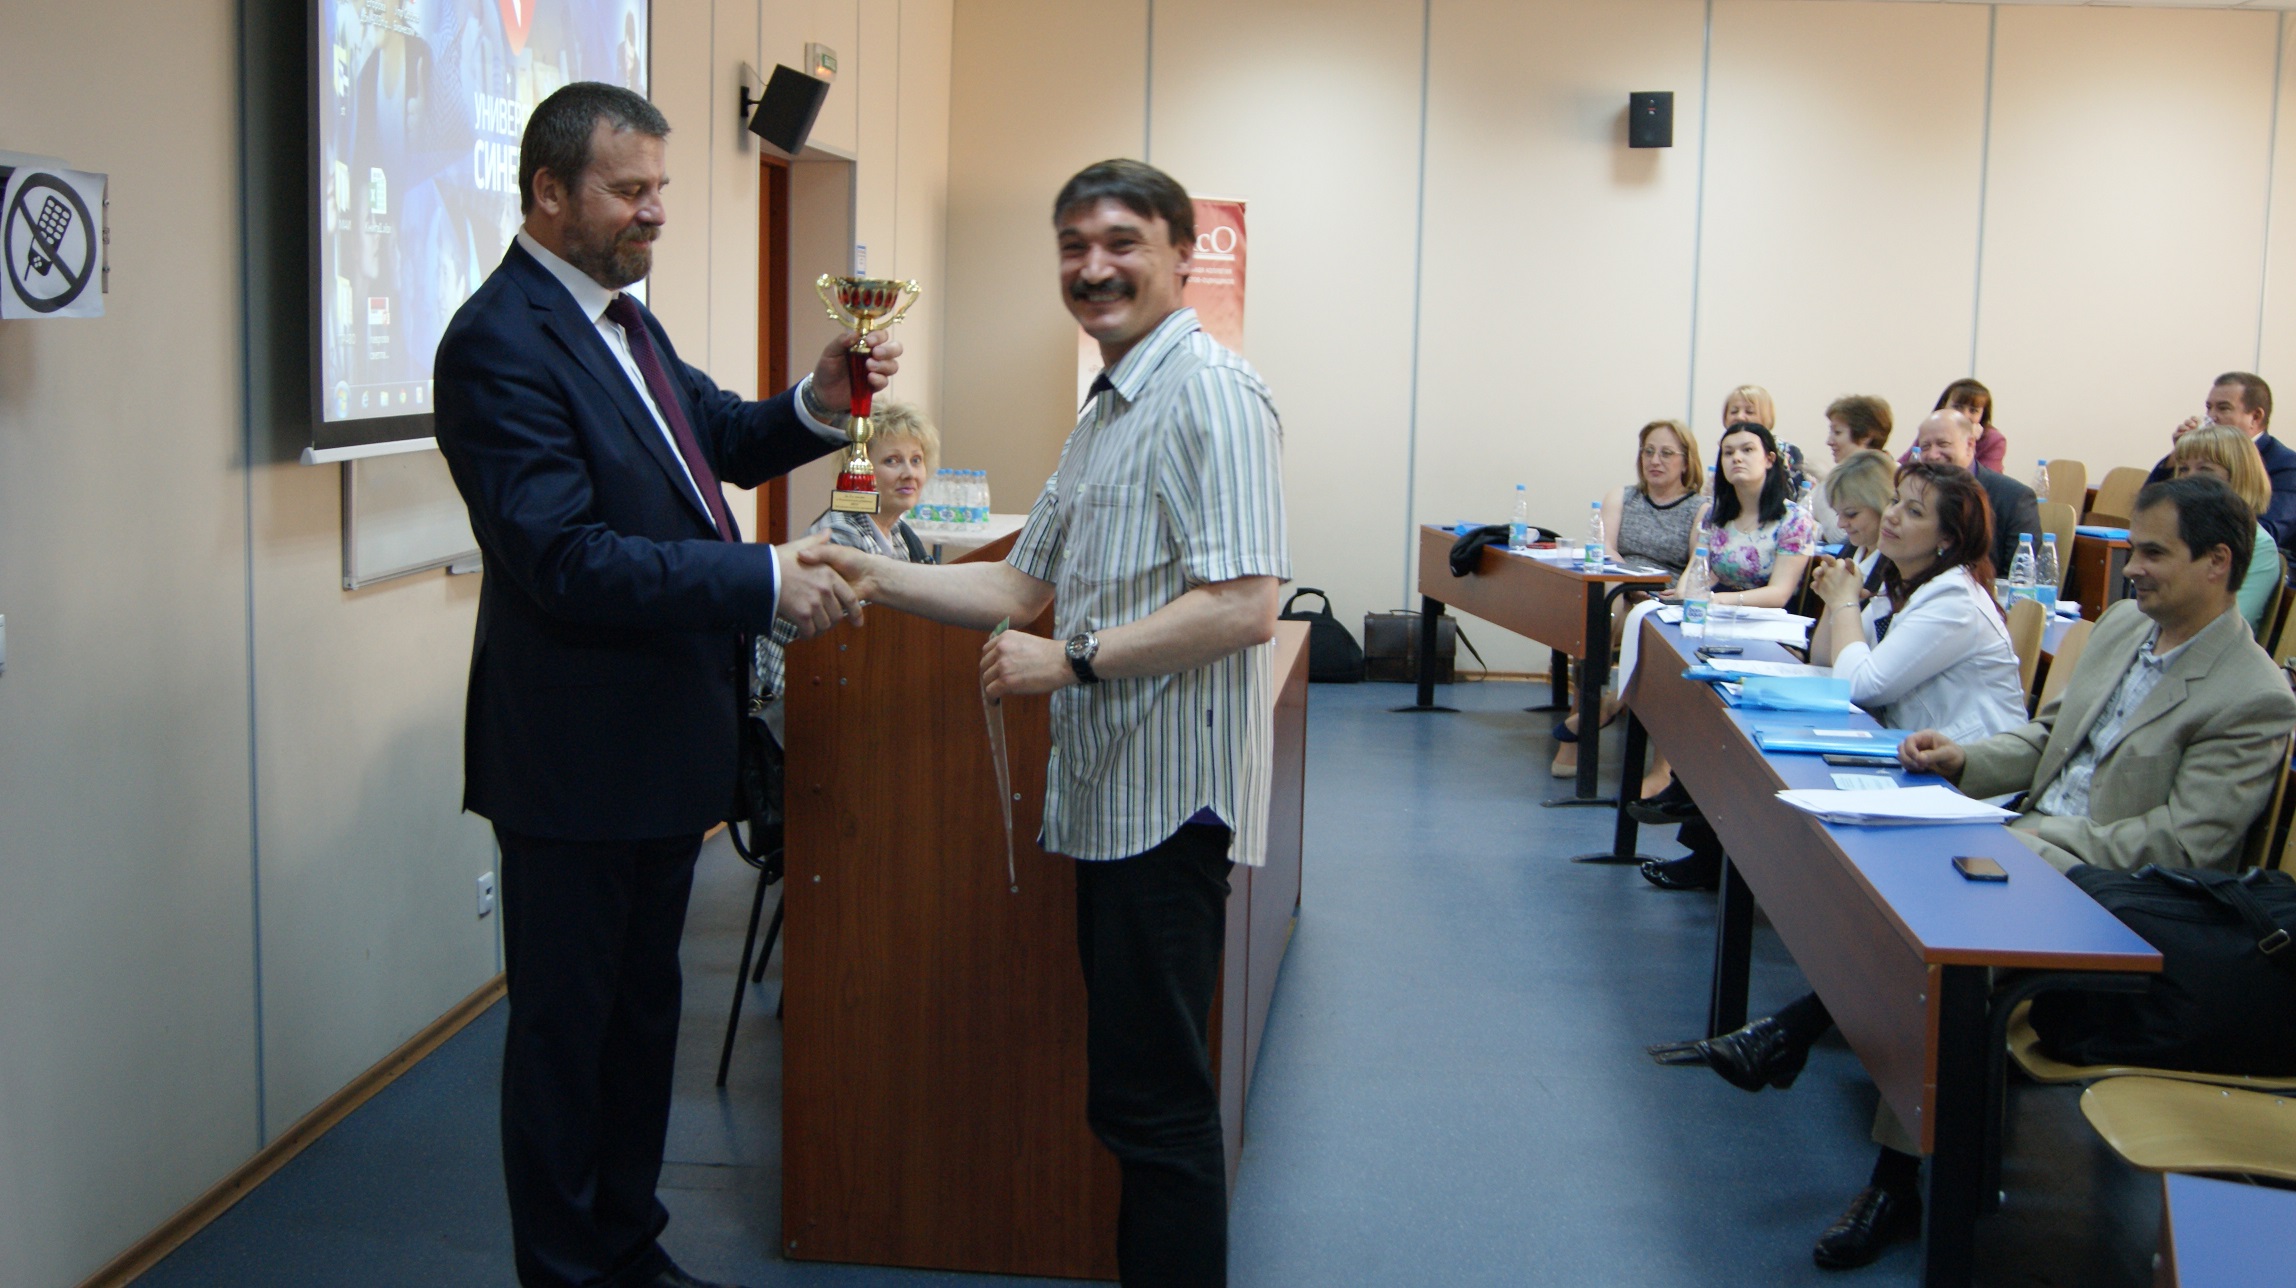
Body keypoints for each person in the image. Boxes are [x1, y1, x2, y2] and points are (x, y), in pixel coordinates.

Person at [432, 82, 899, 1288]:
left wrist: (820, 400)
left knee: (641, 1026)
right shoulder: (496, 342)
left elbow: (720, 441)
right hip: (572, 764)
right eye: (629, 190)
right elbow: (564, 558)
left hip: (656, 752)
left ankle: (627, 1248)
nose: (654, 212)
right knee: (566, 1040)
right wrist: (762, 578)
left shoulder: (623, 325)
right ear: (548, 191)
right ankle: (566, 1268)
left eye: (660, 189)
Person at [805, 158, 1287, 1287]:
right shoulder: (1108, 410)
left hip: (1169, 806)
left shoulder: (1211, 393)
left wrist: (1071, 660)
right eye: (1074, 245)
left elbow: (1244, 606)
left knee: (1158, 1112)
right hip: (1112, 799)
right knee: (1131, 1098)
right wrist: (872, 573)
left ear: (1183, 256)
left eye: (1122, 242)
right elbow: (1020, 587)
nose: (1093, 266)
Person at [1665, 476, 2296, 1270]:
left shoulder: (2252, 696)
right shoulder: (2124, 628)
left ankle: (1869, 1144)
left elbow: (2185, 846)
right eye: (2134, 549)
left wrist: (2039, 842)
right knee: (1918, 892)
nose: (2130, 568)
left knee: (1954, 943)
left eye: (2152, 554)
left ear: (2218, 563)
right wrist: (1965, 759)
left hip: (2122, 904)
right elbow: (2048, 739)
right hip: (2034, 849)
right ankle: (1846, 1104)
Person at [1639, 464, 2020, 894]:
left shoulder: (1953, 599)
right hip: (1906, 746)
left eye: (1914, 512)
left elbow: (1861, 685)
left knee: (1781, 761)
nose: (1894, 515)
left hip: (1965, 774)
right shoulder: (1903, 579)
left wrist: (1844, 604)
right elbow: (1824, 661)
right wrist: (1833, 600)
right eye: (1896, 501)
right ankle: (1710, 839)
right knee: (1751, 725)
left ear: (1946, 539)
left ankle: (1723, 854)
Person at [1631, 421, 1819, 824]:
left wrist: (1711, 600)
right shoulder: (1717, 517)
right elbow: (1698, 571)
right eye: (1729, 452)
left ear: (1770, 460)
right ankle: (1683, 785)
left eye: (1747, 450)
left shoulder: (1793, 520)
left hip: (1770, 636)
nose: (1736, 458)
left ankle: (1688, 793)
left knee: (1709, 696)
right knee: (1669, 662)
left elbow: (1779, 593)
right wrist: (1682, 596)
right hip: (1719, 624)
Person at [751, 401, 940, 745]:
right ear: (860, 468)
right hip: (806, 712)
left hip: (856, 693)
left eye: (916, 460)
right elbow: (861, 643)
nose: (909, 473)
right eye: (892, 461)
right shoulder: (840, 535)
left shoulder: (900, 534)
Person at [1553, 421, 1703, 776]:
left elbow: (1697, 562)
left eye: (1666, 453)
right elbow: (1604, 548)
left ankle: (1608, 707)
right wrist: (1630, 581)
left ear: (1686, 461)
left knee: (1653, 624)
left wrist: (1670, 593)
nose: (1655, 460)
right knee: (1598, 610)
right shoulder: (1621, 497)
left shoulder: (1699, 507)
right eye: (1648, 451)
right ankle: (1589, 709)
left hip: (1666, 596)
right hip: (1621, 587)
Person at [2142, 372, 2296, 552]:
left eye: (2223, 408)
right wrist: (2179, 454)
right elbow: (2146, 507)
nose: (2211, 417)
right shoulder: (2199, 457)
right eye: (2209, 408)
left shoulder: (2287, 466)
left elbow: (2267, 532)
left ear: (2255, 417)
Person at [2169, 424, 2283, 635]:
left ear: (2238, 476)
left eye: (2205, 470)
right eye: (2183, 469)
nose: (2188, 479)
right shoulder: (2176, 530)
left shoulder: (2259, 545)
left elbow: (2223, 627)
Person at [1912, 407, 2037, 581]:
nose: (1932, 455)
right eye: (1925, 447)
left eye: (1943, 444)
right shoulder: (1914, 495)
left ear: (1970, 445)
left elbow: (2019, 579)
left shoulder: (2014, 498)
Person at [1812, 395, 1892, 542]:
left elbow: (1840, 536)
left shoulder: (1885, 479)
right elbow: (1799, 523)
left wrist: (1826, 480)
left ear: (1865, 436)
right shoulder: (1837, 474)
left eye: (1837, 432)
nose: (1829, 441)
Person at [1899, 379, 2005, 473]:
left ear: (1983, 415)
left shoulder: (1993, 440)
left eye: (1973, 411)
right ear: (1944, 405)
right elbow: (1901, 467)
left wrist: (1967, 442)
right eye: (1957, 407)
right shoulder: (1932, 430)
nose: (1964, 415)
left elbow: (1984, 482)